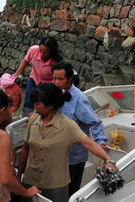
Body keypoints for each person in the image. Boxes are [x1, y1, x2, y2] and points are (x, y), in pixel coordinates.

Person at [17, 83, 118, 202]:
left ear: (50, 105)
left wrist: (108, 160)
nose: (35, 107)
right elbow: (25, 149)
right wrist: (19, 176)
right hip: (30, 181)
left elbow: (88, 143)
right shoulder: (33, 121)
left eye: (37, 104)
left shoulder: (67, 125)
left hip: (55, 185)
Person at [52, 62, 109, 197]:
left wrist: (100, 140)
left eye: (60, 79)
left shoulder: (78, 99)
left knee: (71, 192)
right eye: (54, 78)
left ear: (69, 79)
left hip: (74, 155)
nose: (56, 82)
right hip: (57, 152)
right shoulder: (54, 92)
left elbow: (95, 122)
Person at [13, 36, 62, 116]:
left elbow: (56, 78)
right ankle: (26, 121)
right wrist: (17, 73)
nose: (42, 53)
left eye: (45, 52)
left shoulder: (56, 62)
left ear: (51, 52)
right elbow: (26, 60)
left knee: (44, 104)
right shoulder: (33, 50)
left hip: (48, 84)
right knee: (28, 102)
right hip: (35, 78)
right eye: (40, 50)